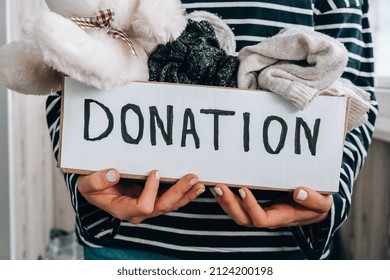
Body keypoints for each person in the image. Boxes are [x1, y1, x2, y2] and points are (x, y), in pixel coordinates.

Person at [46, 0, 377, 260]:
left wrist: (328, 193)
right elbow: (64, 66)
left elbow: (355, 94)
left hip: (276, 250)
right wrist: (85, 179)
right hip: (128, 245)